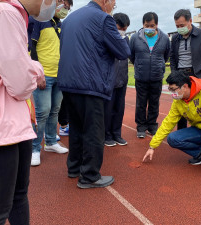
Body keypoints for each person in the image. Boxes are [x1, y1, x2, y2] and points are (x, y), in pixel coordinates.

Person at [58, 0, 131, 188]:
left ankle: (74, 168)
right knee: (93, 130)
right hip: (91, 83)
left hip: (68, 82)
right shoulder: (104, 19)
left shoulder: (69, 19)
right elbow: (123, 51)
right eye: (113, 2)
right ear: (105, 1)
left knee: (76, 128)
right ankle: (90, 175)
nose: (113, 6)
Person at [0, 0, 52, 223]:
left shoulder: (12, 13)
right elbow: (20, 83)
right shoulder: (4, 12)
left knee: (17, 197)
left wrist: (29, 67)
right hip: (1, 126)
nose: (52, 4)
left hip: (14, 122)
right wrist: (37, 69)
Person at [142, 70, 201, 174]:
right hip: (200, 129)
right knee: (173, 139)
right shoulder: (178, 101)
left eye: (173, 90)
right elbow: (168, 122)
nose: (172, 93)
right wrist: (152, 146)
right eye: (170, 89)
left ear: (185, 86)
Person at [30, 0, 73, 166]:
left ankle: (50, 142)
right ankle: (34, 149)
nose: (65, 10)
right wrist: (36, 73)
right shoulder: (39, 21)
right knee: (42, 112)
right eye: (64, 5)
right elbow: (32, 47)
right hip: (44, 75)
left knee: (55, 110)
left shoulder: (60, 24)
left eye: (68, 8)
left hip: (59, 75)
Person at [170, 9, 201, 130]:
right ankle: (181, 133)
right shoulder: (175, 37)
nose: (179, 28)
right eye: (177, 26)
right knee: (181, 105)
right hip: (180, 75)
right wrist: (174, 73)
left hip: (197, 74)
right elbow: (172, 57)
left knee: (199, 106)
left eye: (182, 25)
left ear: (190, 21)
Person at [129, 12, 170, 138]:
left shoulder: (164, 38)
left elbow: (166, 55)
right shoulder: (135, 38)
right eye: (147, 25)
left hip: (157, 77)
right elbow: (132, 56)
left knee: (154, 102)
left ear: (156, 24)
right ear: (143, 24)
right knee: (141, 103)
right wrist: (141, 66)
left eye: (152, 25)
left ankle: (152, 125)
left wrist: (159, 66)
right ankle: (141, 127)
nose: (149, 28)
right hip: (141, 77)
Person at [104, 13, 130, 147]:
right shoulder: (106, 38)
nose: (123, 31)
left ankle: (117, 134)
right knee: (107, 109)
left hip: (122, 79)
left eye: (125, 29)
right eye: (121, 28)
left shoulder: (125, 39)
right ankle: (106, 135)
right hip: (109, 80)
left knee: (119, 109)